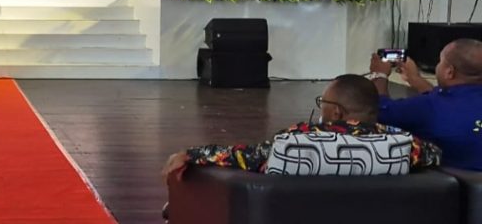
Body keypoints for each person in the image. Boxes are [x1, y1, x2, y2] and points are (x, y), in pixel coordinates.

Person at [162, 74, 440, 182]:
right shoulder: (407, 146)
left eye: (323, 103)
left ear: (336, 112)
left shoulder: (296, 140)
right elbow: (435, 155)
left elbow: (246, 156)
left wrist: (193, 154)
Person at [368, 38, 482, 170]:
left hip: (449, 180)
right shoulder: (437, 104)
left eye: (440, 61)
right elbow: (451, 103)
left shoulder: (428, 108)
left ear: (449, 72)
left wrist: (379, 75)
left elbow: (378, 111)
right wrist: (415, 79)